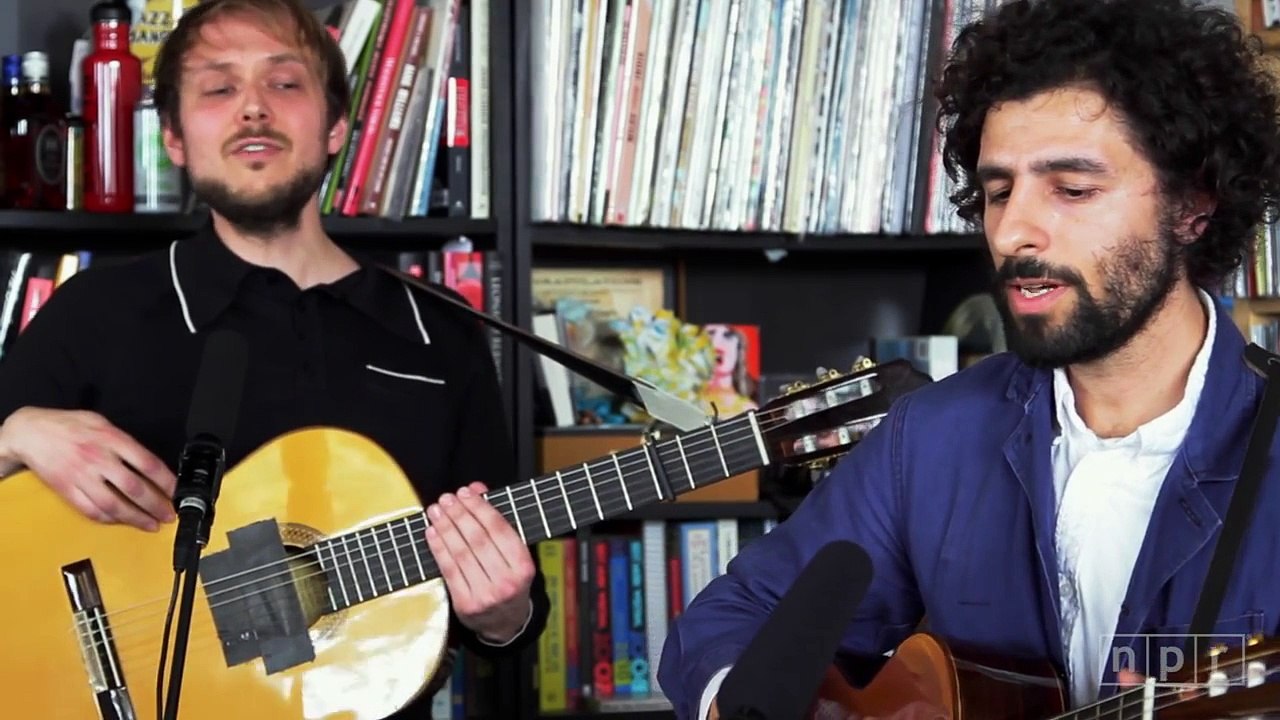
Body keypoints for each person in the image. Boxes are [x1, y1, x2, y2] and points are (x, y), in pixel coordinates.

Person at [657, 0, 1280, 717]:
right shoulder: (931, 437)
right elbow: (736, 617)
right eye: (997, 192)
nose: (1013, 230)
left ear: (1192, 205)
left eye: (1072, 190)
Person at [0, 0, 548, 717]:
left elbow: (507, 616)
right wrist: (14, 432)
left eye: (285, 84)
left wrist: (501, 614)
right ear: (172, 137)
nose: (253, 108)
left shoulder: (440, 334)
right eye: (219, 87)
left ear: (336, 129)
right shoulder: (92, 312)